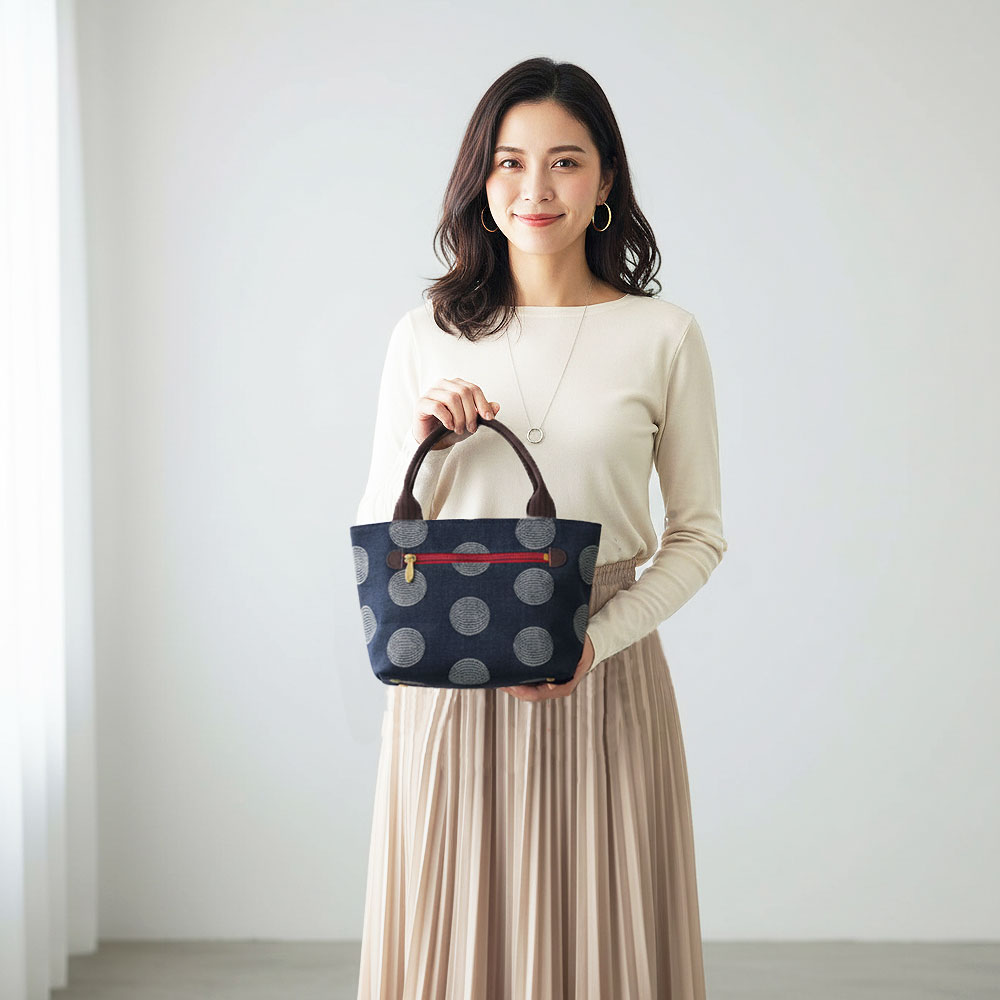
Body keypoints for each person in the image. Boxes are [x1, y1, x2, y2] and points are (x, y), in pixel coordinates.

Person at [353, 56, 728, 1000]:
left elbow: (698, 535)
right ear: (481, 183)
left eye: (565, 161)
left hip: (604, 675)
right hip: (452, 678)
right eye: (510, 162)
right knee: (453, 938)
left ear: (606, 181)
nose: (536, 188)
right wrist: (429, 442)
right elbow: (378, 533)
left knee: (607, 934)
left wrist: (595, 643)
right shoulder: (425, 334)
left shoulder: (664, 336)